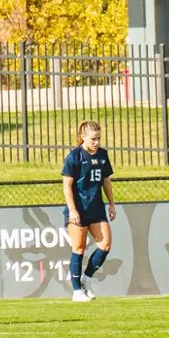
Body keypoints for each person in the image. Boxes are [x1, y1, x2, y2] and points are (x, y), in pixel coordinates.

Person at [61, 120, 116, 303]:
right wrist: (72, 210)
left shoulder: (102, 155)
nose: (97, 142)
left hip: (96, 208)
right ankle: (76, 291)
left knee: (105, 244)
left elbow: (106, 181)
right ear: (82, 137)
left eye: (99, 138)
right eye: (93, 138)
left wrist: (112, 204)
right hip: (79, 209)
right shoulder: (74, 157)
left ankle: (87, 278)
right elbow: (67, 186)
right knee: (79, 247)